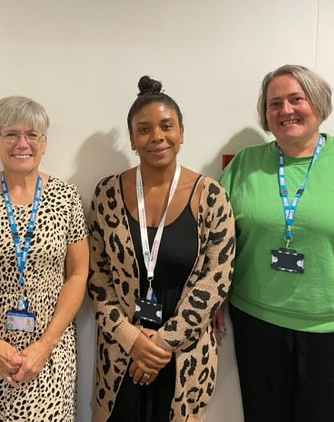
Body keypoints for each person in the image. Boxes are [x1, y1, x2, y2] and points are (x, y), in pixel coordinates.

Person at [217, 64, 334, 422]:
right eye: (274, 104)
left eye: (296, 99)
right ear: (265, 115)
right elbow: (215, 240)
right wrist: (212, 303)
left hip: (333, 330)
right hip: (257, 323)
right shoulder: (245, 163)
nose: (285, 110)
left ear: (318, 103)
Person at [87, 76, 235, 422]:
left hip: (184, 354)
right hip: (120, 354)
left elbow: (217, 280)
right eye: (144, 129)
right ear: (132, 140)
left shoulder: (211, 196)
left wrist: (162, 344)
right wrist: (132, 340)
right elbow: (96, 278)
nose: (157, 136)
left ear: (181, 132)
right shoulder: (107, 194)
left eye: (167, 126)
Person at [0, 96, 89, 421]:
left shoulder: (67, 198)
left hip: (49, 350)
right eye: (11, 134)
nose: (22, 143)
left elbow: (77, 275)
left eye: (32, 134)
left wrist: (44, 346)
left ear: (44, 143)